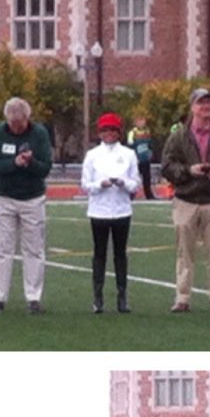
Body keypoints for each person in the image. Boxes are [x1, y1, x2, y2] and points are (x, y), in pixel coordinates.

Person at [161, 88, 210, 314]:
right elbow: (167, 165)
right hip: (187, 199)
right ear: (192, 107)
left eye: (209, 103)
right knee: (185, 253)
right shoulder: (179, 136)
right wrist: (187, 171)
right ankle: (182, 297)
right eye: (201, 103)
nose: (205, 107)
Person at [0, 96, 53, 314]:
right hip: (3, 197)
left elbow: (45, 168)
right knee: (2, 248)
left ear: (27, 118)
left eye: (19, 123)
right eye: (12, 123)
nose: (15, 127)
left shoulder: (39, 134)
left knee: (33, 249)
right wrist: (13, 163)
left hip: (32, 198)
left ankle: (33, 298)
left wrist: (30, 162)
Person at [81, 113, 139, 314]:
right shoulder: (92, 155)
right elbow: (85, 184)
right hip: (99, 211)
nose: (109, 134)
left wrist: (123, 183)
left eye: (112, 130)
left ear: (119, 132)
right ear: (100, 133)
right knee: (99, 254)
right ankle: (98, 297)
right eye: (105, 130)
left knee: (120, 254)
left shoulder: (129, 154)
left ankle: (122, 297)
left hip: (121, 210)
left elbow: (135, 183)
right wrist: (100, 184)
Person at [126, 116, 156, 198]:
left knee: (147, 178)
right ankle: (131, 195)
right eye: (140, 121)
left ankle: (149, 195)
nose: (142, 123)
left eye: (143, 120)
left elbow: (150, 145)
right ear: (136, 122)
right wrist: (134, 158)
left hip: (145, 159)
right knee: (134, 177)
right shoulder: (132, 133)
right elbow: (130, 146)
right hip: (136, 159)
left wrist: (150, 154)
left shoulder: (147, 131)